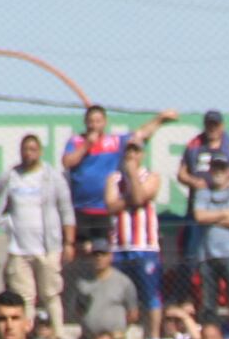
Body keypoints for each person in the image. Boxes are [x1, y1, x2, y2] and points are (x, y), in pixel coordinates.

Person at [0, 133, 77, 330]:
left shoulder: (52, 177)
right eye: (25, 149)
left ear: (40, 152)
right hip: (19, 248)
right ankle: (27, 337)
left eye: (33, 149)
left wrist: (69, 242)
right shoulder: (11, 176)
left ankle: (59, 336)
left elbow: (67, 210)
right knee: (25, 297)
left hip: (48, 248)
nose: (28, 153)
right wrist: (1, 219)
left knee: (50, 294)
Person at [62, 105, 172, 246]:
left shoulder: (114, 142)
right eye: (91, 121)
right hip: (80, 208)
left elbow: (140, 134)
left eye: (98, 121)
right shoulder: (76, 141)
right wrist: (87, 145)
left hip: (104, 209)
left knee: (101, 249)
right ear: (85, 122)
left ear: (105, 122)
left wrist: (160, 119)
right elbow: (67, 162)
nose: (94, 125)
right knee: (81, 249)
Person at [107, 140, 164, 319]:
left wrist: (131, 174)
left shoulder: (151, 176)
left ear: (142, 155)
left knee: (151, 295)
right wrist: (131, 197)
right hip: (120, 247)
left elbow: (139, 199)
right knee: (120, 295)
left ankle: (153, 337)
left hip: (145, 247)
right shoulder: (114, 178)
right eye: (128, 151)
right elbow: (110, 205)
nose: (132, 155)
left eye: (136, 151)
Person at [189, 168, 229, 313]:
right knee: (208, 298)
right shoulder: (203, 194)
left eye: (222, 167)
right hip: (207, 256)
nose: (218, 171)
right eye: (216, 167)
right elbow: (199, 217)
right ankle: (211, 328)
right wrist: (225, 213)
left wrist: (211, 218)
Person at [176, 111, 229, 192]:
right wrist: (194, 182)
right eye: (209, 124)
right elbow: (181, 174)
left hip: (225, 196)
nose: (212, 128)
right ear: (205, 125)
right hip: (199, 195)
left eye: (215, 125)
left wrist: (227, 184)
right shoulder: (193, 145)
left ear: (222, 126)